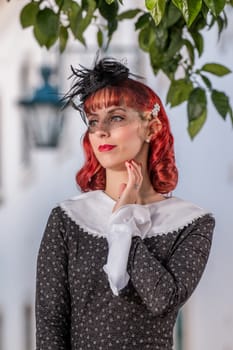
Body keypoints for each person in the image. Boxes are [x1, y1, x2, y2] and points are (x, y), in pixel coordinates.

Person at [35, 56, 215, 350]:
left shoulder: (192, 222)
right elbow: (51, 326)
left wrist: (123, 222)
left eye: (116, 117)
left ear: (151, 127)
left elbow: (161, 300)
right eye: (93, 121)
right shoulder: (67, 219)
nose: (101, 130)